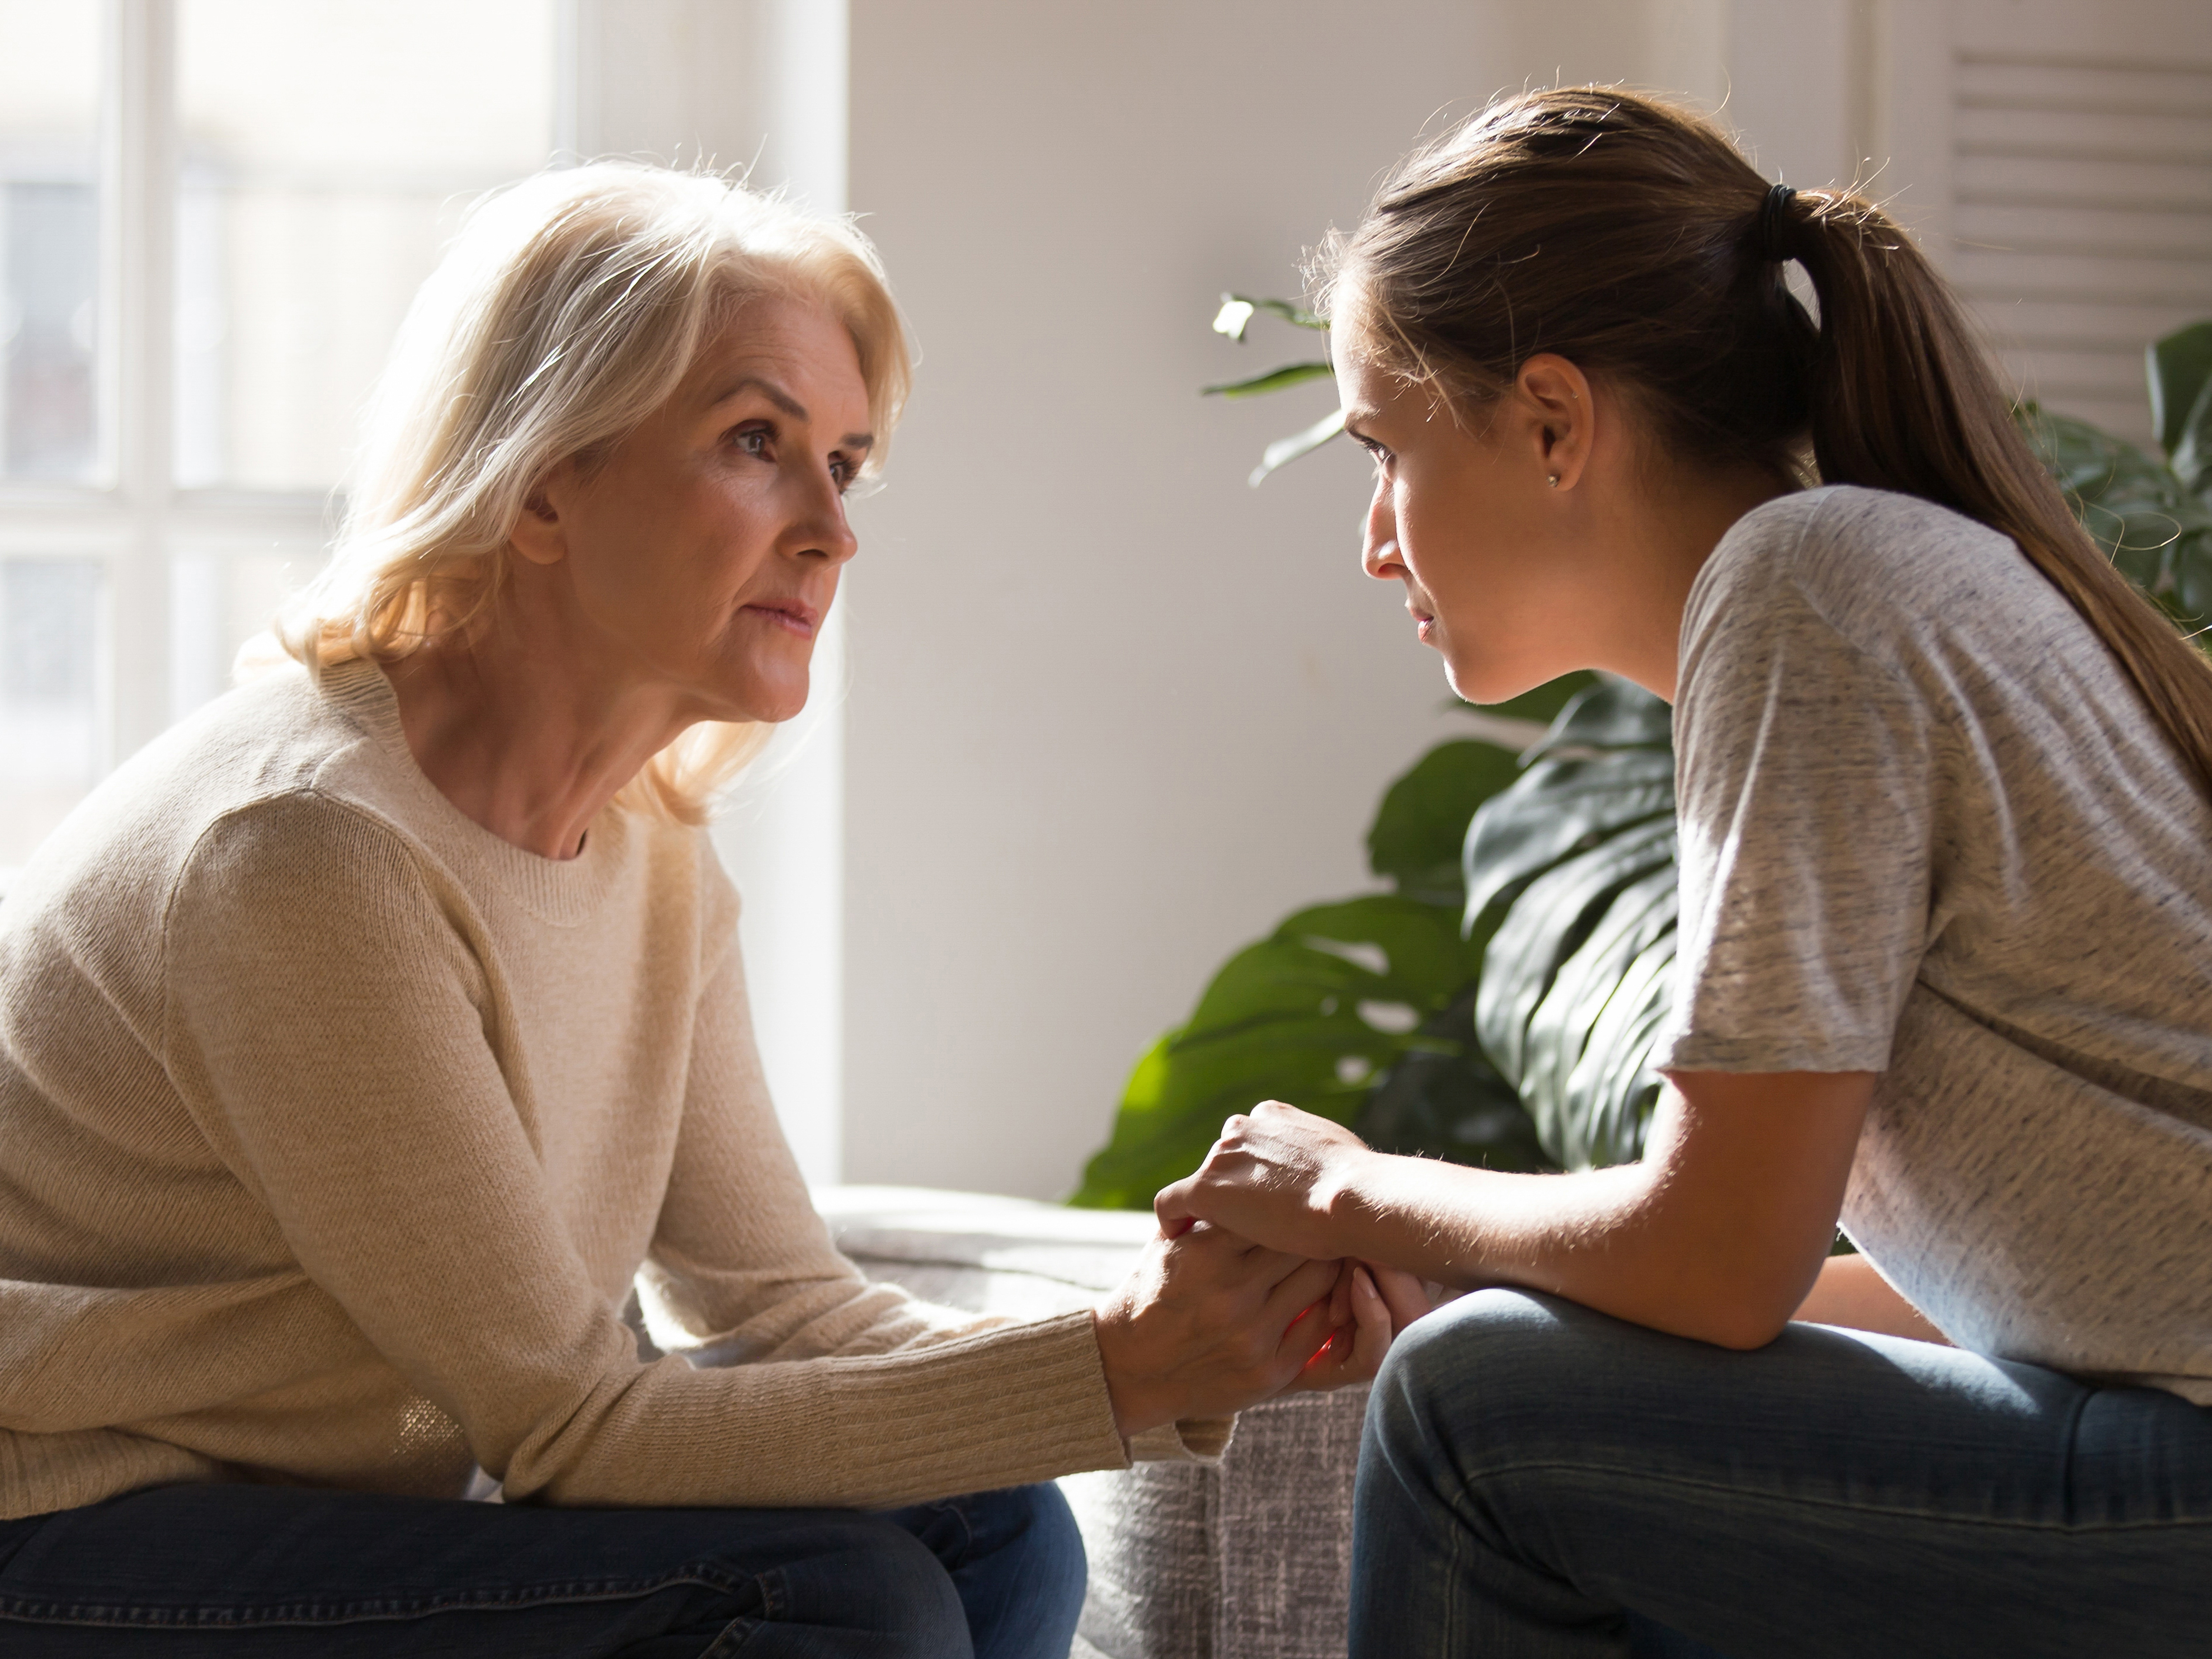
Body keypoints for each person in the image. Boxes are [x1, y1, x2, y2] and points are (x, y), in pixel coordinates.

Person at [0, 164, 1414, 1658]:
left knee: (985, 1523)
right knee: (836, 1598)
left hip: (316, 1516)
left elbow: (789, 1310)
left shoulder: (650, 856)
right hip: (65, 1529)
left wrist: (1188, 1340)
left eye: (844, 466)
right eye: (756, 442)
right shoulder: (305, 852)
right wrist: (1122, 1367)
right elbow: (566, 1424)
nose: (831, 531)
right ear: (542, 479)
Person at [1155, 87, 2212, 1657]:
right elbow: (1979, 1296)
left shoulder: (1808, 595)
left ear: (1553, 423)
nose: (1375, 541)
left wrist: (1343, 1188)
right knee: (1495, 1364)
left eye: (1384, 450)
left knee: (1469, 1414)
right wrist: (1481, 1280)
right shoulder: (1868, 578)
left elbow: (1720, 1261)